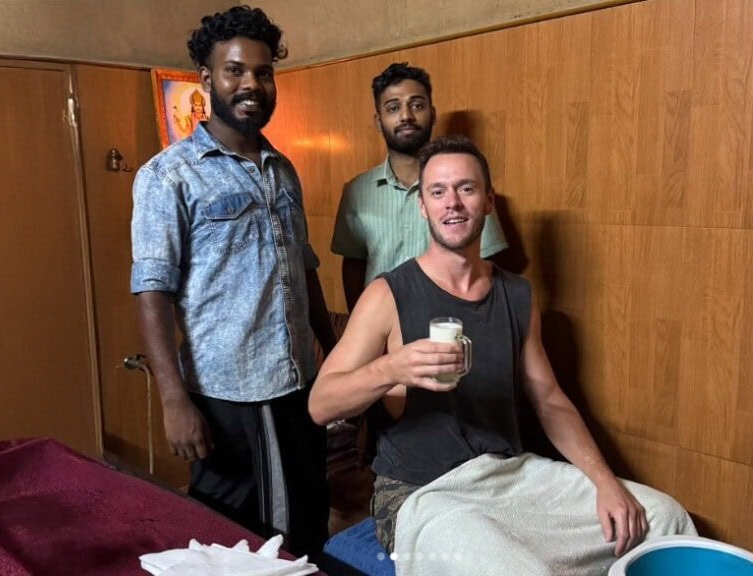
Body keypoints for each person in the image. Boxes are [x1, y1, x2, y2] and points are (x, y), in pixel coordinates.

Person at [309, 136, 694, 571]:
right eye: (438, 191)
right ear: (423, 206)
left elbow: (549, 400)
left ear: (488, 201)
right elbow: (321, 405)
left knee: (663, 519)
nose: (452, 203)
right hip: (422, 494)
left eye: (466, 189)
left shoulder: (517, 294)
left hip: (509, 476)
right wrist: (390, 366)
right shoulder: (387, 294)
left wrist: (604, 480)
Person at [130, 5, 334, 558]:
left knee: (307, 524)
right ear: (206, 80)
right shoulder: (169, 175)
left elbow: (304, 265)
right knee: (236, 540)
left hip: (298, 386)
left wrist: (336, 358)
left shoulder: (283, 168)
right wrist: (173, 399)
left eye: (263, 72)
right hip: (232, 396)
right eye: (235, 70)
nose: (251, 84)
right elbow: (152, 293)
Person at [330, 62, 508, 311]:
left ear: (432, 113)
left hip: (448, 326)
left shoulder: (467, 187)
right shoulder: (356, 191)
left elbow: (489, 262)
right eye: (393, 108)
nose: (406, 116)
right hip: (380, 330)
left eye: (417, 105)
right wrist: (359, 327)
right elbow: (353, 265)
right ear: (379, 121)